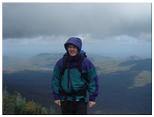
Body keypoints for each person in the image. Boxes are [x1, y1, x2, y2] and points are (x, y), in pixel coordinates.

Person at [51, 37, 98, 115]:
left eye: (74, 47)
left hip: (80, 99)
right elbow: (56, 79)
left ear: (78, 48)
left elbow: (92, 80)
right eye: (69, 47)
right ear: (67, 48)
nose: (71, 49)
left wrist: (92, 98)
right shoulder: (61, 62)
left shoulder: (85, 63)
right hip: (65, 99)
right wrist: (56, 96)